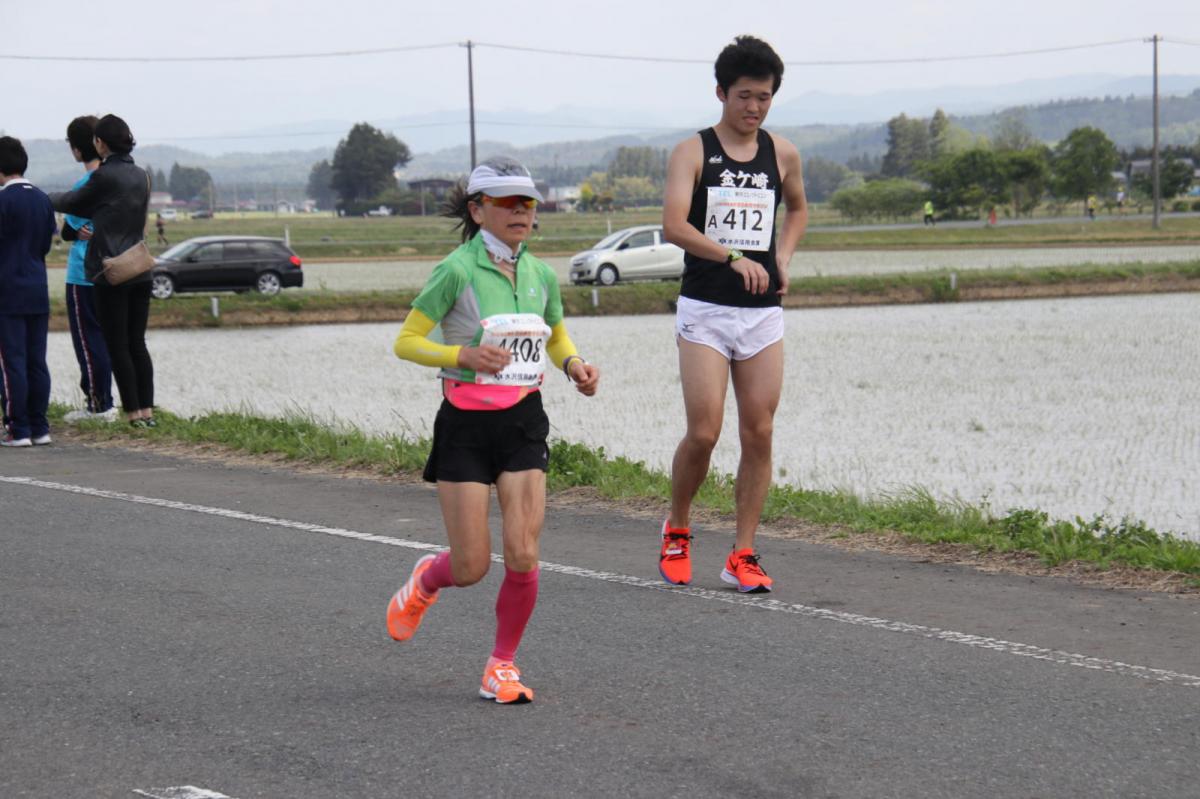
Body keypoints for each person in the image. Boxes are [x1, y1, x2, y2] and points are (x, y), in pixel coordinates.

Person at [385, 156, 600, 704]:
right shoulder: (456, 270)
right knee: (471, 566)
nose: (521, 212)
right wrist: (462, 355)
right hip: (465, 426)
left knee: (523, 553)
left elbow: (554, 334)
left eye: (527, 202)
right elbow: (406, 341)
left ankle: (501, 665)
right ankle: (427, 580)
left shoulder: (541, 274)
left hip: (523, 422)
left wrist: (574, 364)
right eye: (507, 203)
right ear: (478, 210)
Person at [659, 35, 808, 593]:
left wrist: (782, 257)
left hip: (762, 314)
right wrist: (732, 256)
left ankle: (743, 553)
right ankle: (677, 528)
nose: (754, 107)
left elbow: (798, 209)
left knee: (760, 431)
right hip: (705, 310)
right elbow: (674, 225)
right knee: (704, 431)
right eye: (745, 96)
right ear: (721, 92)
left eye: (764, 97)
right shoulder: (693, 152)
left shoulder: (782, 153)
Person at [50, 114, 156, 427]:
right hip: (140, 267)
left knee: (116, 344)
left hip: (112, 270)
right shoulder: (142, 175)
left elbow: (73, 202)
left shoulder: (104, 177)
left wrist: (40, 196)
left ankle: (132, 413)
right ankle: (147, 413)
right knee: (137, 343)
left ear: (100, 143)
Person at [0, 136, 57, 448]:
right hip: (37, 287)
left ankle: (17, 429)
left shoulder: (3, 201)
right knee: (37, 361)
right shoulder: (43, 199)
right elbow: (45, 245)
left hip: (7, 290)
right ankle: (39, 427)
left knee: (13, 361)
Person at [59, 115, 116, 423]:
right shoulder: (120, 179)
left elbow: (68, 230)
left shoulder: (86, 184)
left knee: (87, 339)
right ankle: (111, 401)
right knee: (108, 338)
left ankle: (97, 404)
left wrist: (78, 231)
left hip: (83, 273)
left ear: (77, 150)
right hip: (114, 270)